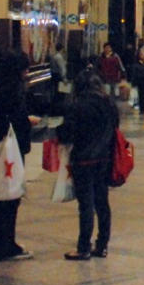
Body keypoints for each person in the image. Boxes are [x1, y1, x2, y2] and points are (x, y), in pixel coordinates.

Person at [57, 70, 119, 260]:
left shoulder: (77, 105)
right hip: (104, 158)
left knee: (86, 204)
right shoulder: (109, 103)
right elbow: (116, 127)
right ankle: (102, 245)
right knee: (102, 202)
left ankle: (83, 247)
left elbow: (66, 134)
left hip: (83, 160)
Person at [0, 50, 40, 261]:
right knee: (11, 194)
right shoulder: (13, 89)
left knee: (5, 192)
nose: (27, 72)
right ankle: (6, 244)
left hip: (2, 142)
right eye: (25, 68)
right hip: (13, 145)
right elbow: (17, 117)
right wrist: (28, 121)